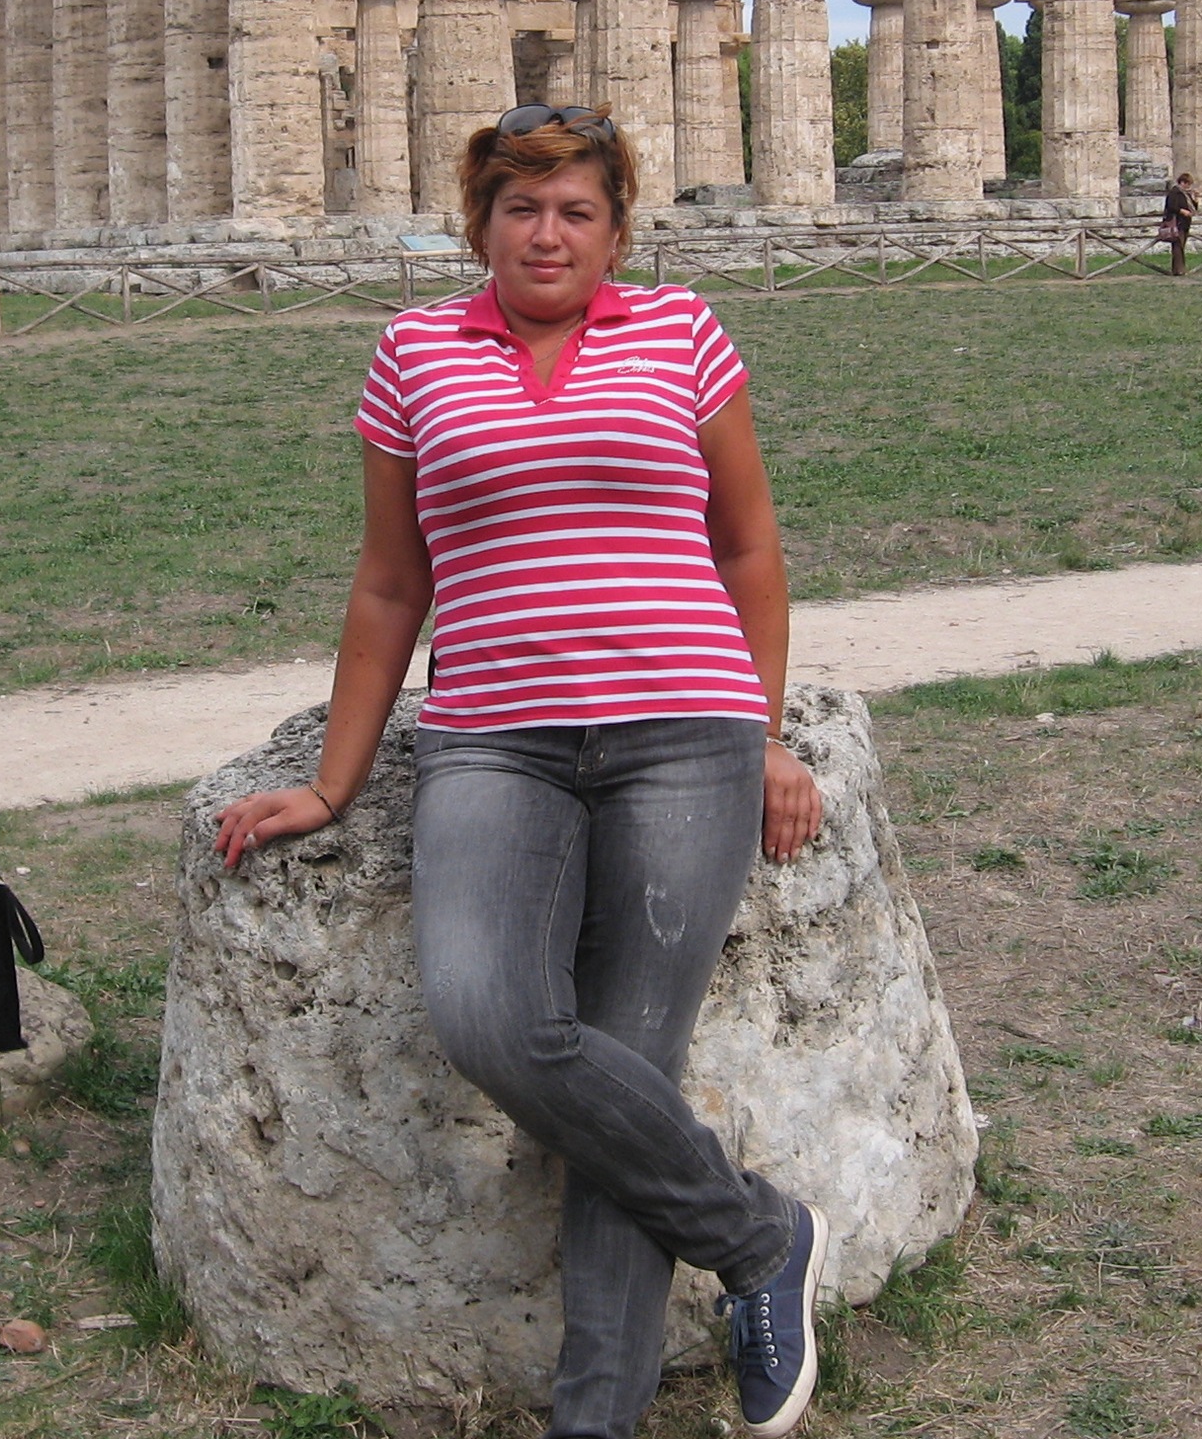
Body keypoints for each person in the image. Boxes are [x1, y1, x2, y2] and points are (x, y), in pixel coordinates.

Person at [212, 103, 831, 1439]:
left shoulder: (683, 333)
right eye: (521, 206)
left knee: (630, 1058)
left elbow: (749, 550)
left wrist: (769, 732)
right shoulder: (413, 353)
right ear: (480, 222)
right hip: (495, 737)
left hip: (686, 733)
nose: (548, 233)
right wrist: (331, 782)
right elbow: (391, 584)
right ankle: (760, 1236)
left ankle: (590, 1421)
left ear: (616, 228)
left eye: (576, 210)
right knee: (490, 1016)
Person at [1159, 170, 1199, 277]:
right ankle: (1178, 270)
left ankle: (1180, 268)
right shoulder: (1175, 192)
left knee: (1181, 246)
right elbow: (1171, 206)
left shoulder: (1186, 194)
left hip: (1185, 223)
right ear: (1182, 182)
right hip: (1177, 222)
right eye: (1187, 184)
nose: (1188, 186)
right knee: (1177, 246)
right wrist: (1182, 211)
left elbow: (1193, 208)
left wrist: (1195, 199)